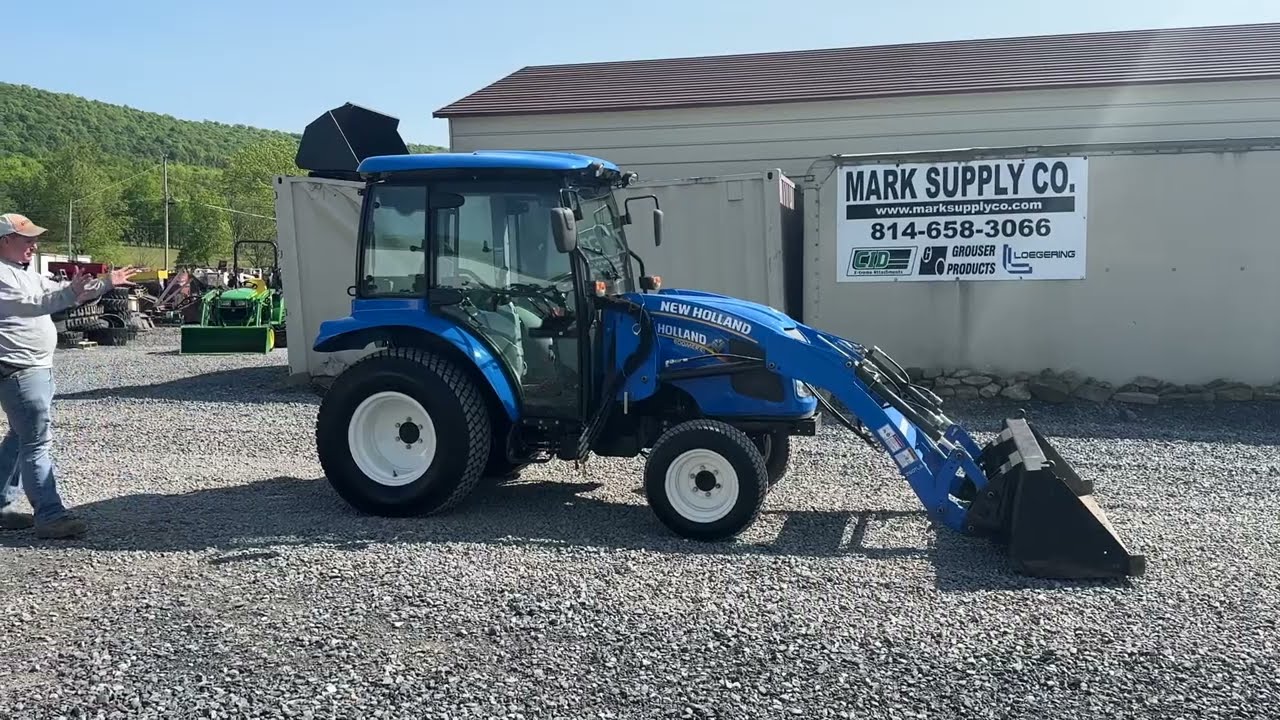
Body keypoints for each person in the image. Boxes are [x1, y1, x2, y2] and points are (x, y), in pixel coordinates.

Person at [0, 212, 137, 538]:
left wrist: (106, 283)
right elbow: (36, 304)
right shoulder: (3, 278)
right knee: (36, 443)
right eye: (27, 239)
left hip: (33, 367)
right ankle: (50, 516)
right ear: (5, 240)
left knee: (20, 439)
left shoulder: (21, 272)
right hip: (19, 370)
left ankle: (1, 507)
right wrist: (72, 292)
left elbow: (62, 290)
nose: (34, 245)